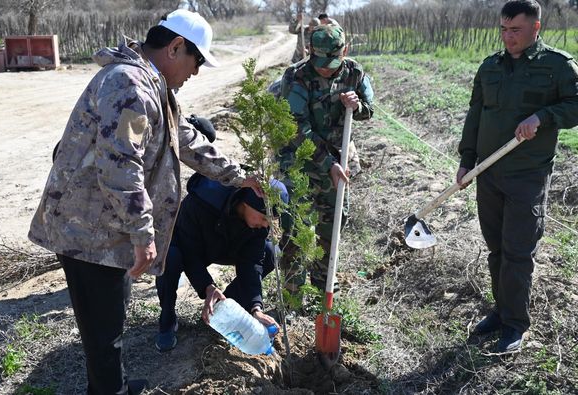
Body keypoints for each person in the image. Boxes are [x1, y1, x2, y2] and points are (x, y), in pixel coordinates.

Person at [28, 9, 260, 394]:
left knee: (110, 322)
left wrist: (238, 176)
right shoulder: (129, 85)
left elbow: (185, 139)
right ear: (175, 47)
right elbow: (120, 164)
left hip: (105, 226)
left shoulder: (155, 89)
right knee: (103, 334)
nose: (196, 72)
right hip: (86, 231)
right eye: (196, 61)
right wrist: (143, 233)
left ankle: (112, 385)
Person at [457, 0, 578, 353]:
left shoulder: (556, 65)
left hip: (527, 175)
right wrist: (466, 160)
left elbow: (575, 104)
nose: (508, 38)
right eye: (504, 30)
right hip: (487, 172)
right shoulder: (490, 67)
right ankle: (501, 310)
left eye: (516, 31)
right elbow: (475, 114)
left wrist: (543, 116)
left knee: (517, 252)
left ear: (536, 28)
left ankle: (515, 325)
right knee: (496, 249)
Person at [277, 24, 374, 294]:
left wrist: (357, 106)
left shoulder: (354, 72)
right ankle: (293, 294)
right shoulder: (297, 77)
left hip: (335, 159)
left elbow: (369, 109)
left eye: (332, 63)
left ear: (345, 50)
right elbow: (297, 127)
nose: (326, 70)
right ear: (309, 52)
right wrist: (327, 163)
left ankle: (323, 289)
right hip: (299, 160)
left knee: (332, 225)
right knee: (296, 226)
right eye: (320, 63)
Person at [154, 173, 288, 351]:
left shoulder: (258, 225)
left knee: (270, 253)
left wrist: (255, 307)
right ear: (246, 203)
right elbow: (190, 254)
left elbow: (252, 263)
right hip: (189, 244)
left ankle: (222, 306)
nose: (266, 225)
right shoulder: (201, 203)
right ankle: (167, 318)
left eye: (271, 221)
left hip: (226, 246)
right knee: (169, 257)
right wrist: (207, 286)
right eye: (264, 218)